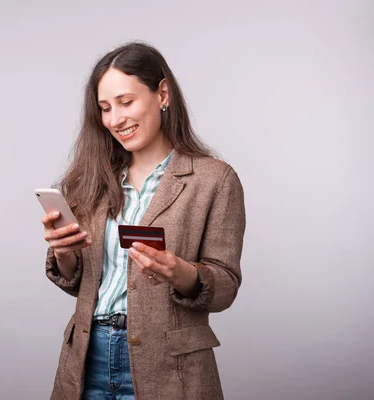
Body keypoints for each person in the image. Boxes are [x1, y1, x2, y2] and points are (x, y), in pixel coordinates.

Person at [41, 42, 246, 400]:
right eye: (105, 108)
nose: (114, 120)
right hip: (87, 358)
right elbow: (81, 284)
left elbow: (225, 285)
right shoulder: (91, 181)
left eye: (125, 102)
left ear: (162, 94)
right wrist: (64, 254)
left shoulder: (214, 179)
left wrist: (180, 271)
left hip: (170, 366)